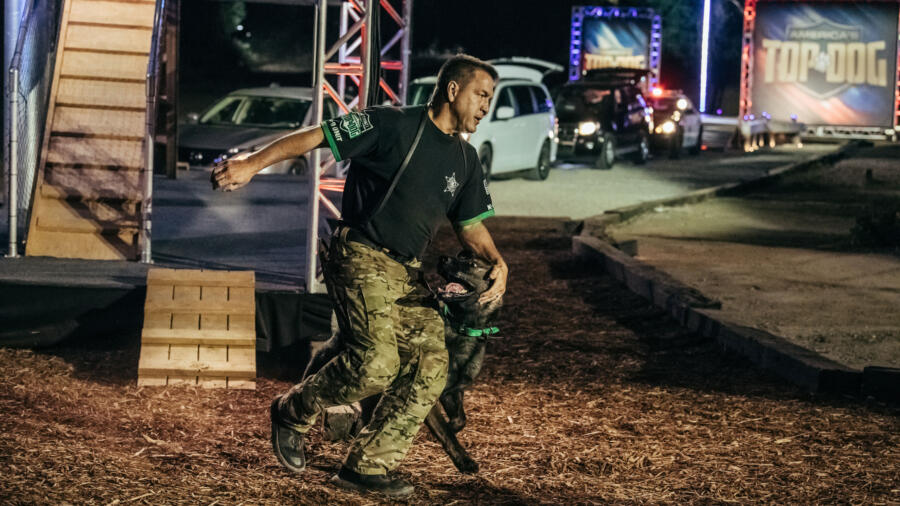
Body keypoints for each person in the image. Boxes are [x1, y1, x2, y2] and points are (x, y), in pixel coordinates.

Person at [211, 54, 508, 498]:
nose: (486, 106)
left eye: (490, 99)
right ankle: (292, 412)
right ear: (453, 90)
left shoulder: (466, 160)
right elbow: (315, 137)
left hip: (406, 275)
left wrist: (498, 261)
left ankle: (367, 466)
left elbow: (469, 225)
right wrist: (252, 163)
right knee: (377, 363)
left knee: (431, 366)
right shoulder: (390, 125)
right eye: (481, 95)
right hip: (360, 255)